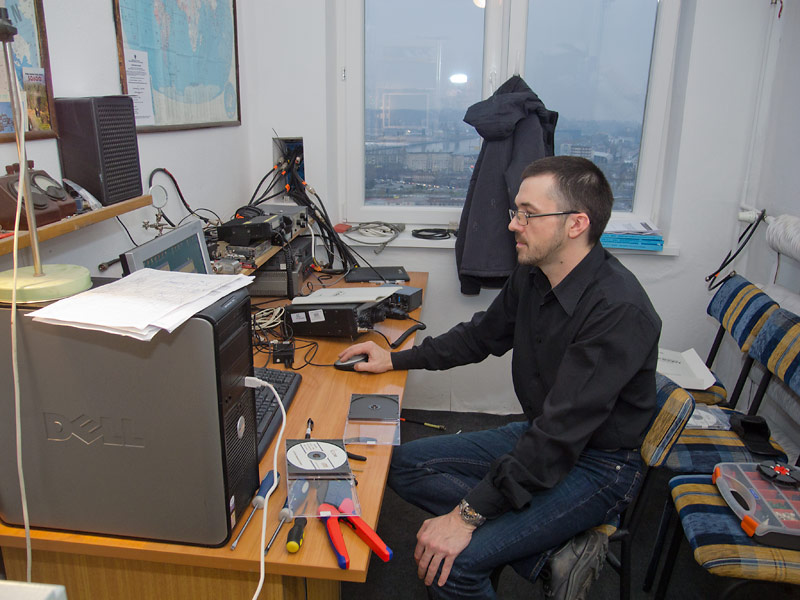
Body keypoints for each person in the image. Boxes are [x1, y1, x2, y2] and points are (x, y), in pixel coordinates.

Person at [338, 156, 662, 600]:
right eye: (516, 211)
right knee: (400, 466)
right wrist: (395, 359)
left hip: (599, 464)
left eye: (528, 214)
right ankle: (549, 552)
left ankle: (506, 540)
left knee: (454, 567)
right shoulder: (533, 274)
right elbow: (478, 338)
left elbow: (560, 434)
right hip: (543, 435)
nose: (513, 224)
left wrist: (465, 517)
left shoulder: (618, 310)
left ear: (576, 224)